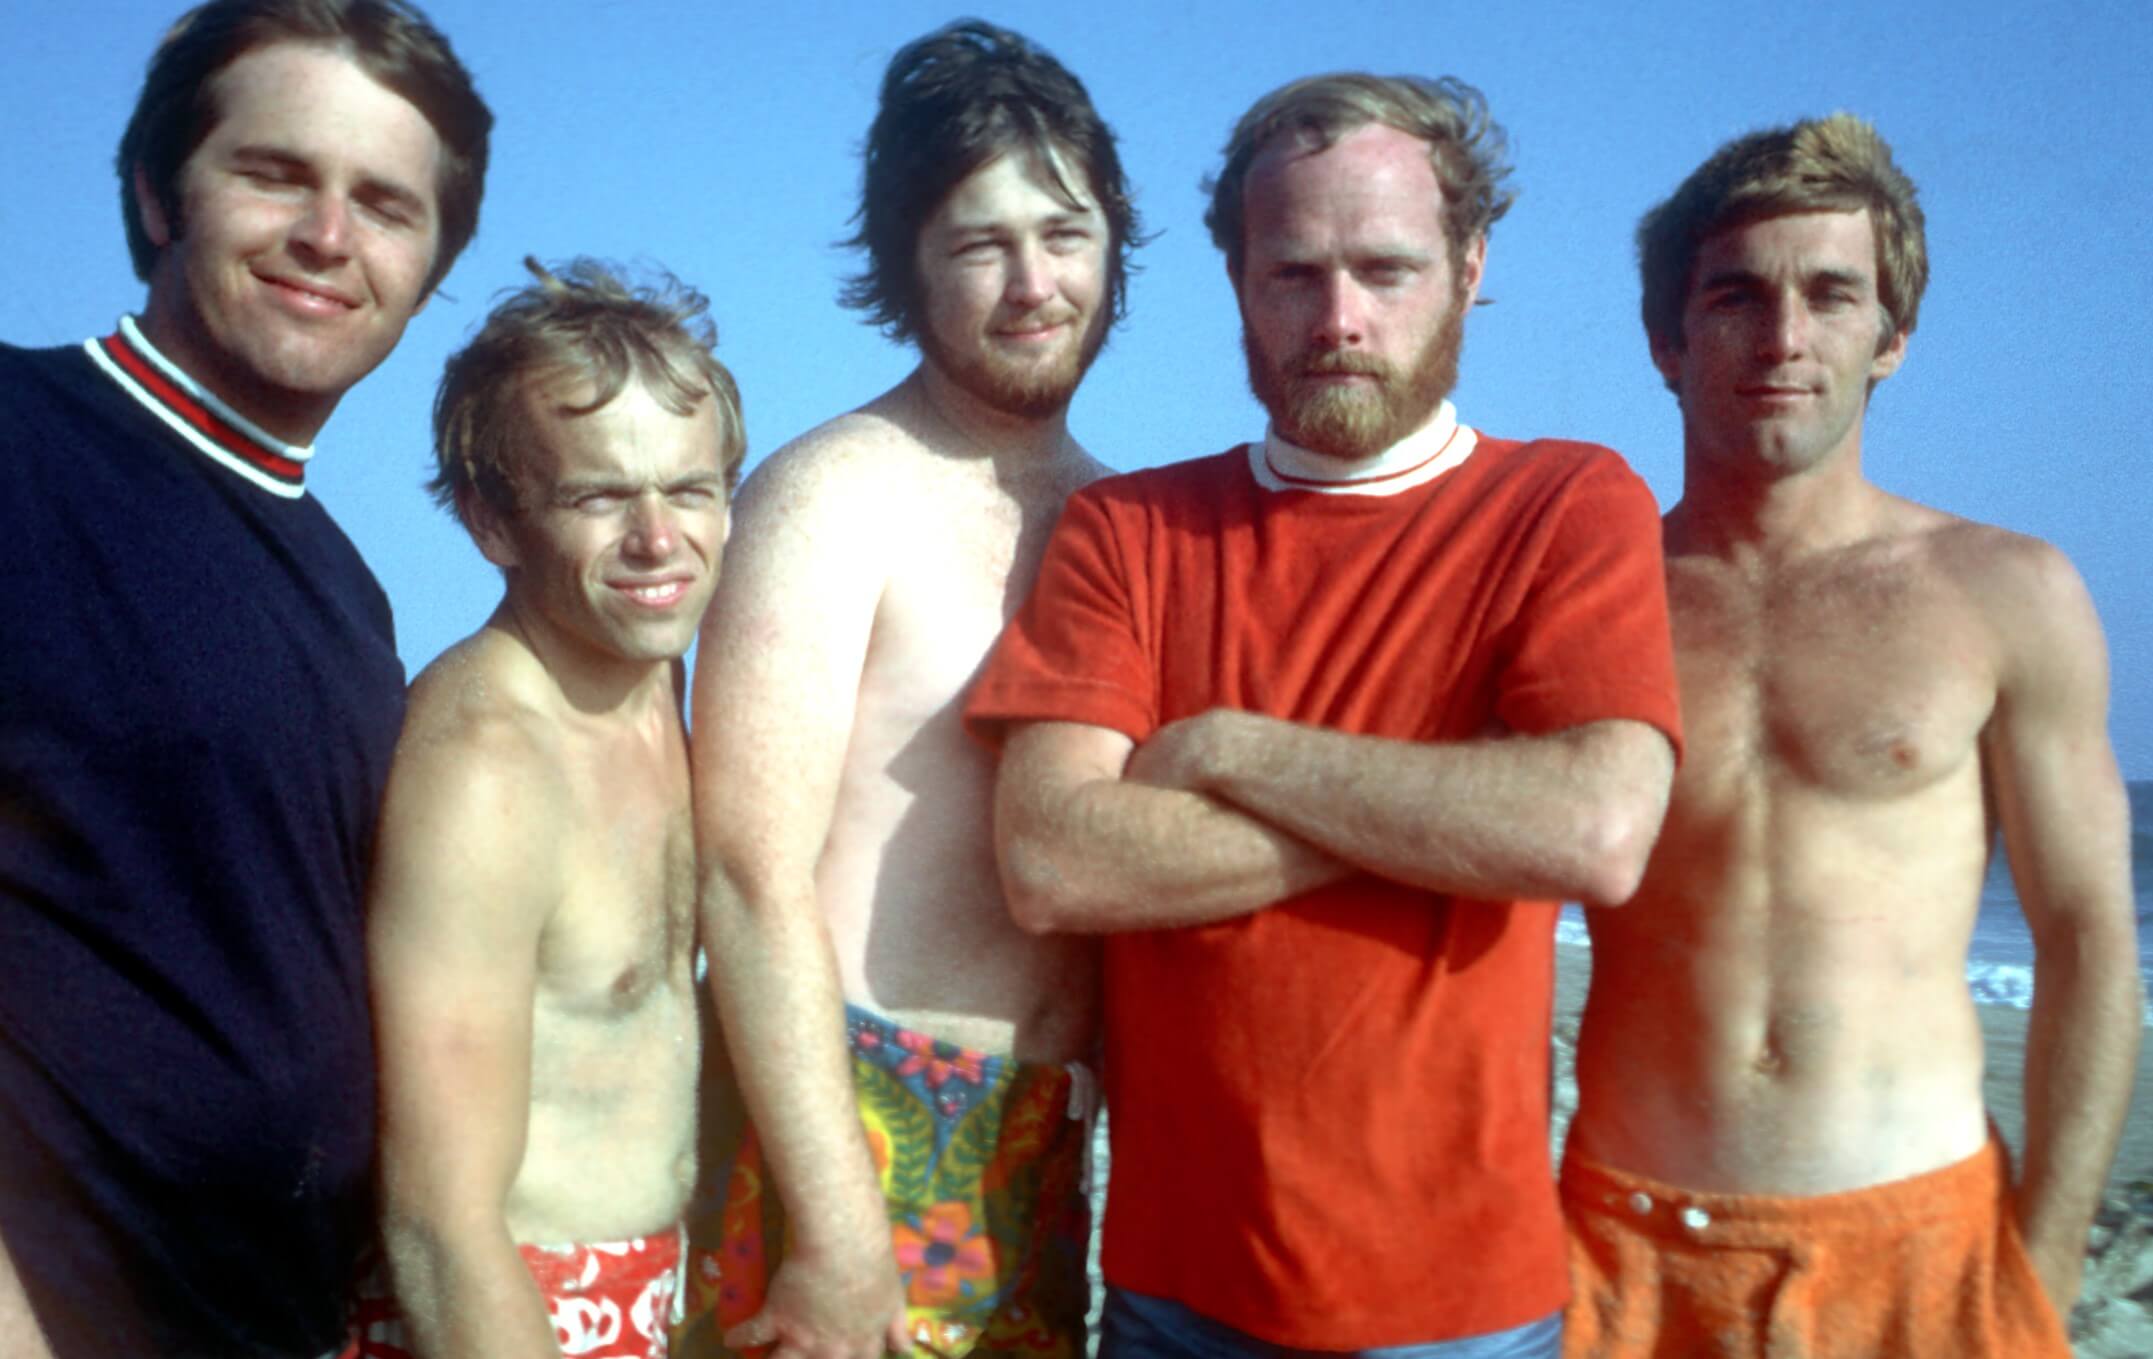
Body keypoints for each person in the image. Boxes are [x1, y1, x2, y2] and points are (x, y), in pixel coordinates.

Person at [966, 73, 1682, 1359]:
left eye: (1385, 270)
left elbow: (1594, 830)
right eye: (1292, 272)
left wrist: (1229, 751)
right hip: (1171, 1302)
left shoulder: (1567, 506)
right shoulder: (1128, 530)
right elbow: (1051, 859)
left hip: (1462, 1315)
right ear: (1235, 279)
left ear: (1470, 268)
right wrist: (1459, 814)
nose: (1338, 318)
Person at [1558, 114, 2143, 1359]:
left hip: (1920, 1256)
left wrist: (2034, 1274)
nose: (1782, 339)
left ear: (1891, 337)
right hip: (1615, 1256)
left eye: (1830, 295)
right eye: (1734, 297)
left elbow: (2089, 939)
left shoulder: (2005, 592)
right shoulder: (1578, 603)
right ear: (1665, 339)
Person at [0, 2, 490, 1355]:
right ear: (161, 193)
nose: (329, 237)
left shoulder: (351, 592)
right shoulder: (19, 441)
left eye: (387, 204)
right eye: (275, 173)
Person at [677, 20, 1141, 1359]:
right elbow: (745, 875)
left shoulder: (1127, 519)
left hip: (1046, 1154)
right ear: (907, 266)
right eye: (977, 242)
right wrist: (833, 1222)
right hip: (848, 1128)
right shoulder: (834, 494)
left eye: (1064, 231)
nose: (1032, 280)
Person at [348, 258, 744, 1359]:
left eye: (691, 488)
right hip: (514, 1309)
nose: (658, 540)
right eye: (599, 496)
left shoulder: (651, 686)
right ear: (492, 522)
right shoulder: (488, 768)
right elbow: (440, 1221)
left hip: (656, 1291)